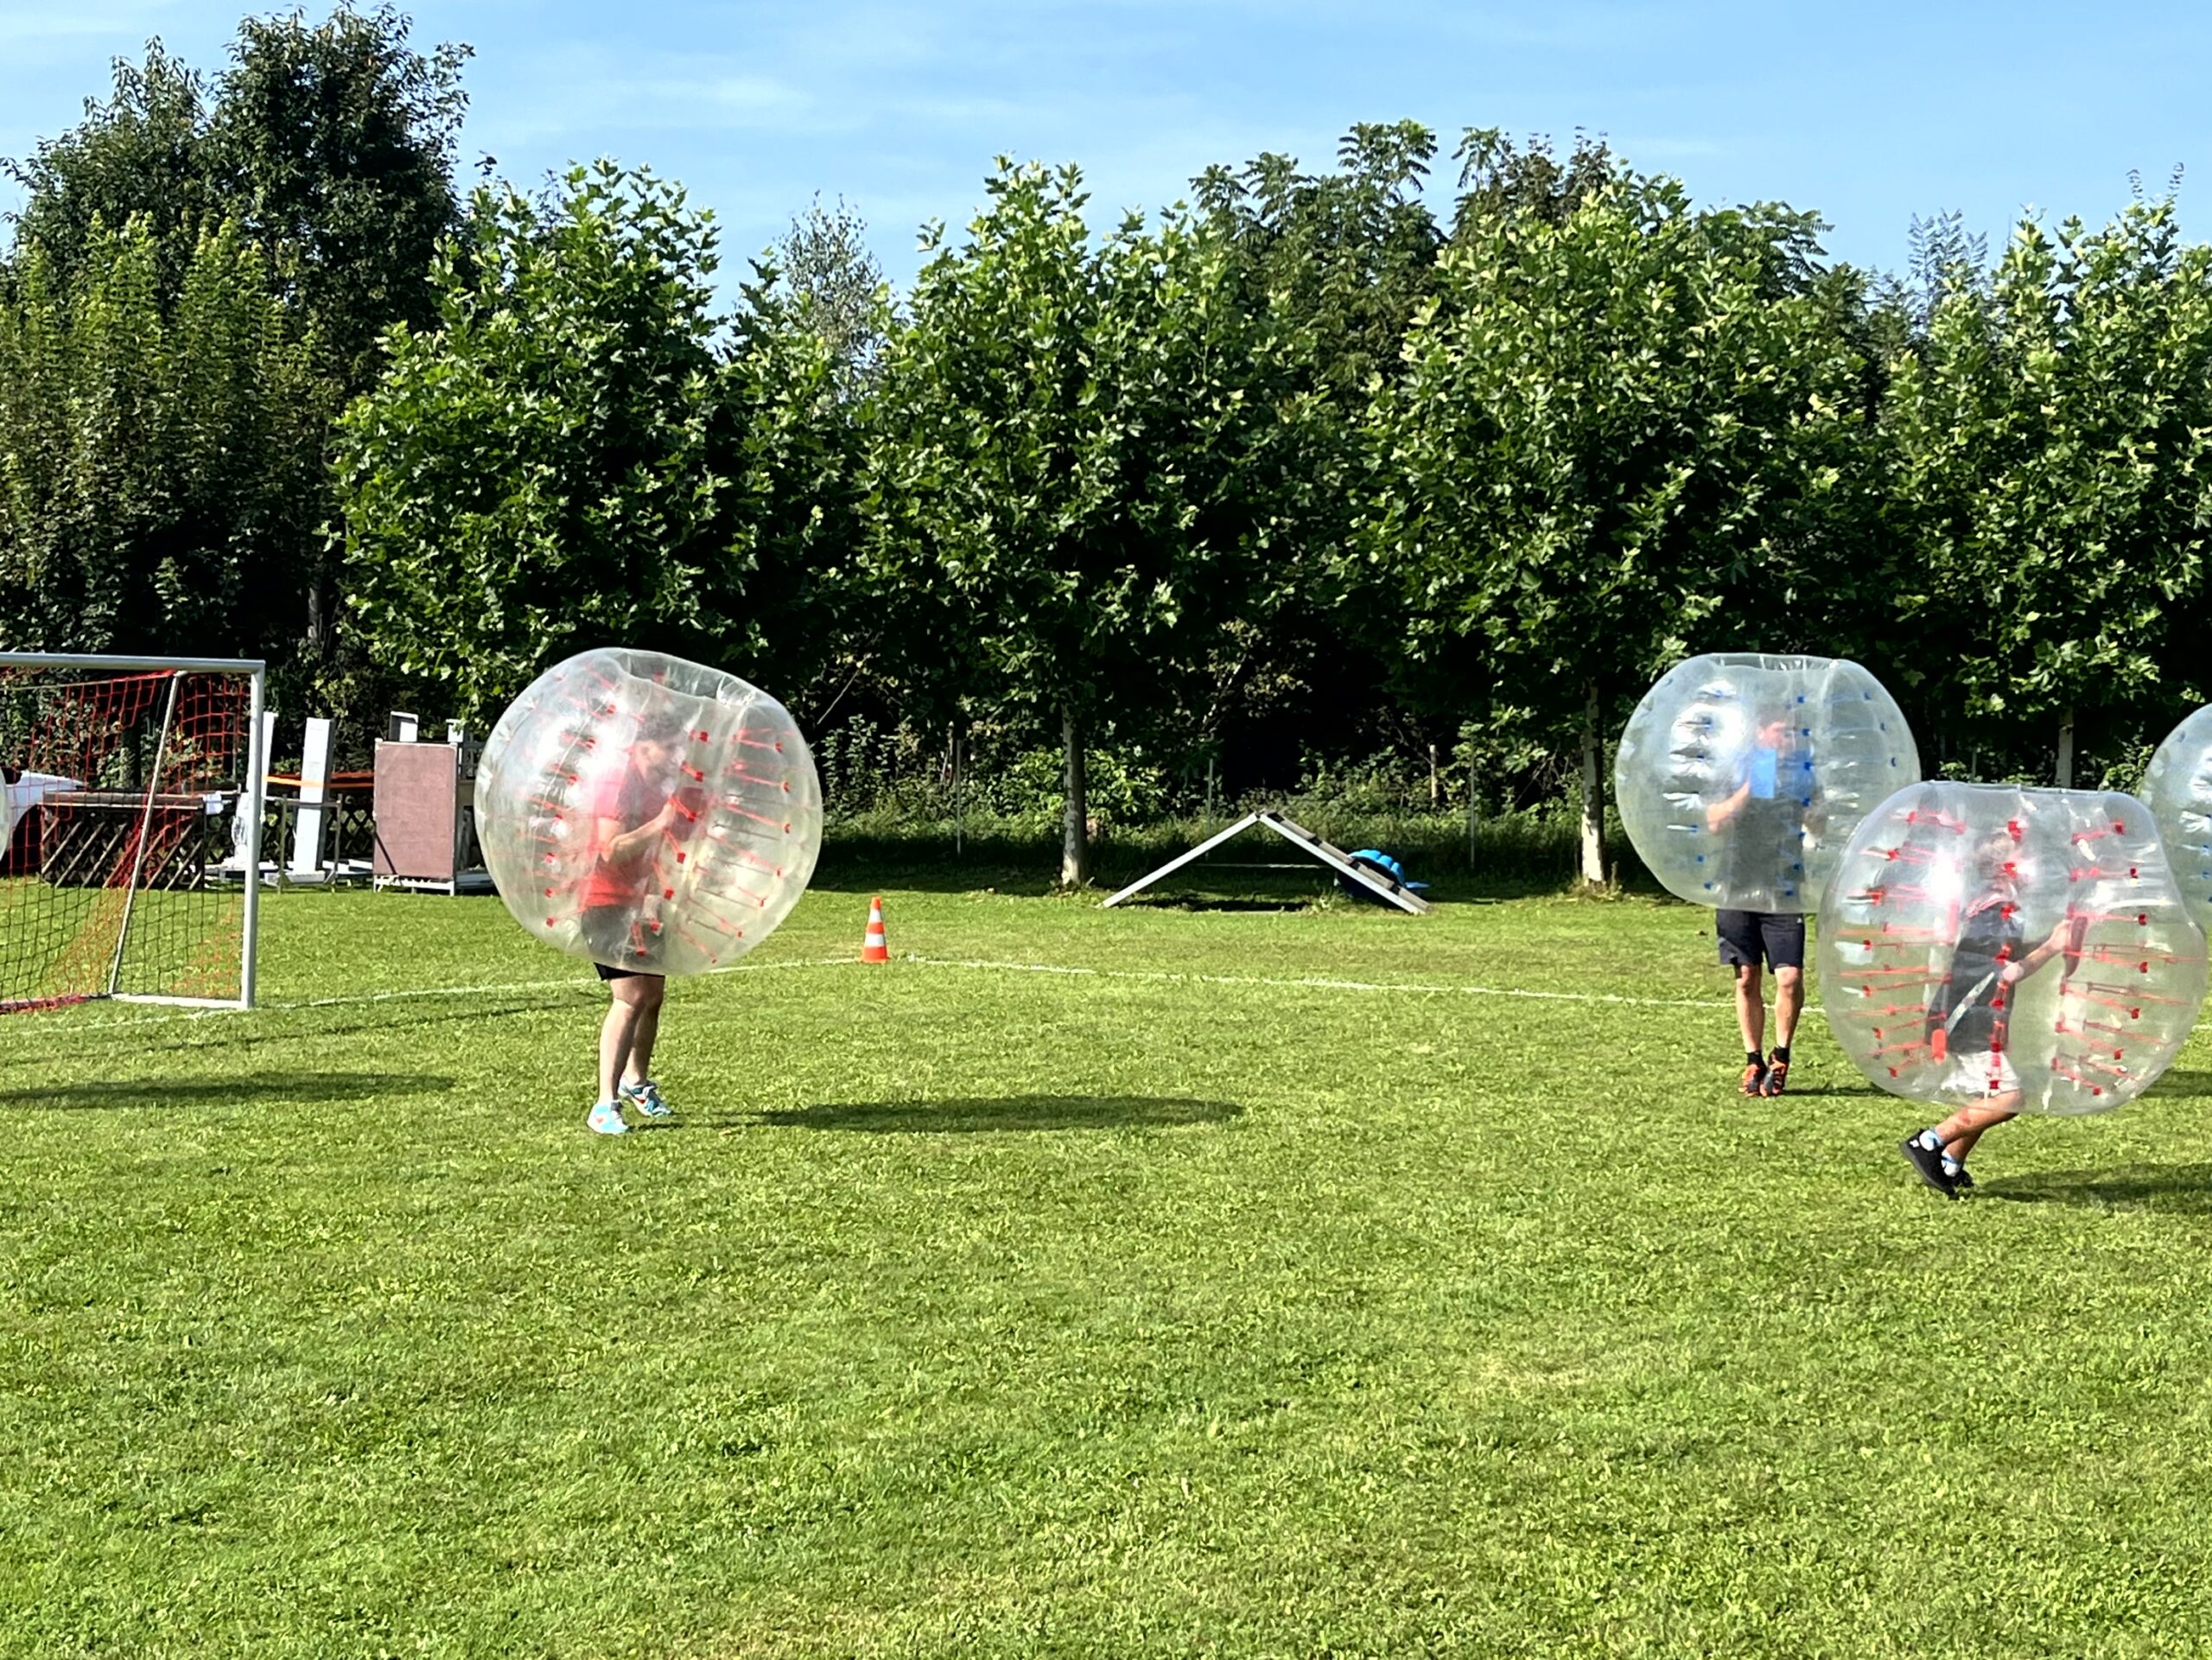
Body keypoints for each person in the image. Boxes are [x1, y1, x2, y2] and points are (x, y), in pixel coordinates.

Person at [1899, 835, 2075, 1198]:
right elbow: (2010, 971)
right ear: (2004, 869)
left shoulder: (1993, 908)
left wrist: (2052, 938)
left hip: (1969, 1014)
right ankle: (1929, 1141)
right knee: (2009, 1098)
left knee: (1987, 1091)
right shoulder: (2000, 912)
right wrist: (2054, 946)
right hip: (1970, 1017)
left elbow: (2003, 955)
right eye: (2023, 856)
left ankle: (1950, 1161)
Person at [577, 713, 690, 1135]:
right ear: (645, 747)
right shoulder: (618, 782)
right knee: (629, 998)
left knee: (653, 996)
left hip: (642, 903)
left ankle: (636, 1083)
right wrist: (661, 824)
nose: (676, 756)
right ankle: (604, 1104)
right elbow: (611, 851)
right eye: (670, 747)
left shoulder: (655, 786)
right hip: (605, 902)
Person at [1706, 710, 1808, 1097]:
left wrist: (1813, 811)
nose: (1789, 739)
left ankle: (1781, 1057)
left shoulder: (1802, 775)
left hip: (1783, 889)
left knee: (1790, 977)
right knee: (1747, 976)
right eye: (1782, 731)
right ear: (1761, 732)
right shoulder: (1734, 770)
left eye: (1794, 732)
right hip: (1737, 886)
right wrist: (1750, 787)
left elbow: (1821, 825)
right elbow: (1714, 821)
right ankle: (1754, 1060)